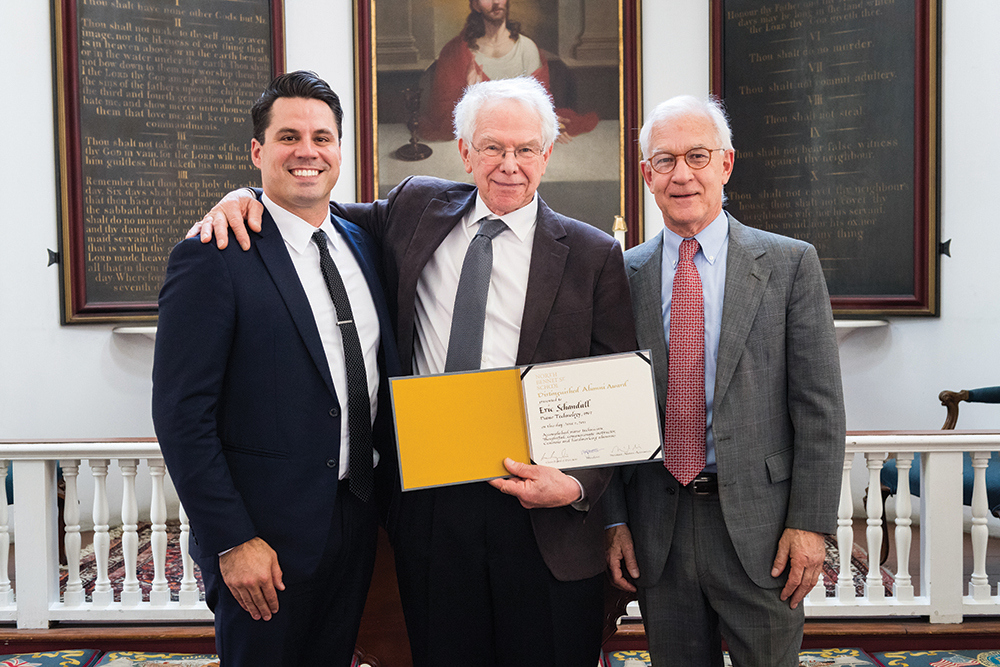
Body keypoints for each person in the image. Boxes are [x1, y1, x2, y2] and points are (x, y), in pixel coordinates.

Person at [194, 76, 635, 667]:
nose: (509, 164)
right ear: (464, 150)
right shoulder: (415, 209)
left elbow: (620, 392)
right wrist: (243, 195)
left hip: (543, 513)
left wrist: (577, 483)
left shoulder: (592, 254)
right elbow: (308, 207)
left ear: (548, 154)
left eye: (526, 149)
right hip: (430, 509)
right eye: (492, 147)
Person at [152, 71, 400, 667]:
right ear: (258, 152)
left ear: (341, 150)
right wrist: (232, 539)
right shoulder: (212, 256)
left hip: (358, 516)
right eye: (288, 136)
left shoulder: (362, 240)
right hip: (263, 538)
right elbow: (182, 417)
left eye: (322, 136)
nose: (307, 151)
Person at [603, 95, 846, 666]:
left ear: (726, 165)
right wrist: (614, 519)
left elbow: (820, 410)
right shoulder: (622, 275)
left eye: (697, 156)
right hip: (658, 526)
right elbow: (607, 414)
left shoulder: (790, 265)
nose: (682, 174)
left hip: (761, 530)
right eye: (664, 161)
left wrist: (810, 524)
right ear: (647, 175)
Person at [418, 0, 598, 142]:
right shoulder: (456, 52)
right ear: (475, 5)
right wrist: (469, 93)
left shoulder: (526, 48)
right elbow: (442, 115)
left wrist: (544, 122)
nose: (496, 2)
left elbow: (540, 103)